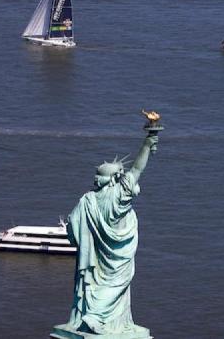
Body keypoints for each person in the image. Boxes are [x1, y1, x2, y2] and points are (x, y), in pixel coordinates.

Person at [64, 134, 158, 335]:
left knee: (96, 283)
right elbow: (138, 168)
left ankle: (92, 315)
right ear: (116, 178)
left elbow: (71, 225)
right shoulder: (119, 195)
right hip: (119, 253)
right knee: (117, 283)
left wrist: (81, 238)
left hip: (96, 254)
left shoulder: (87, 200)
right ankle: (96, 316)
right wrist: (148, 143)